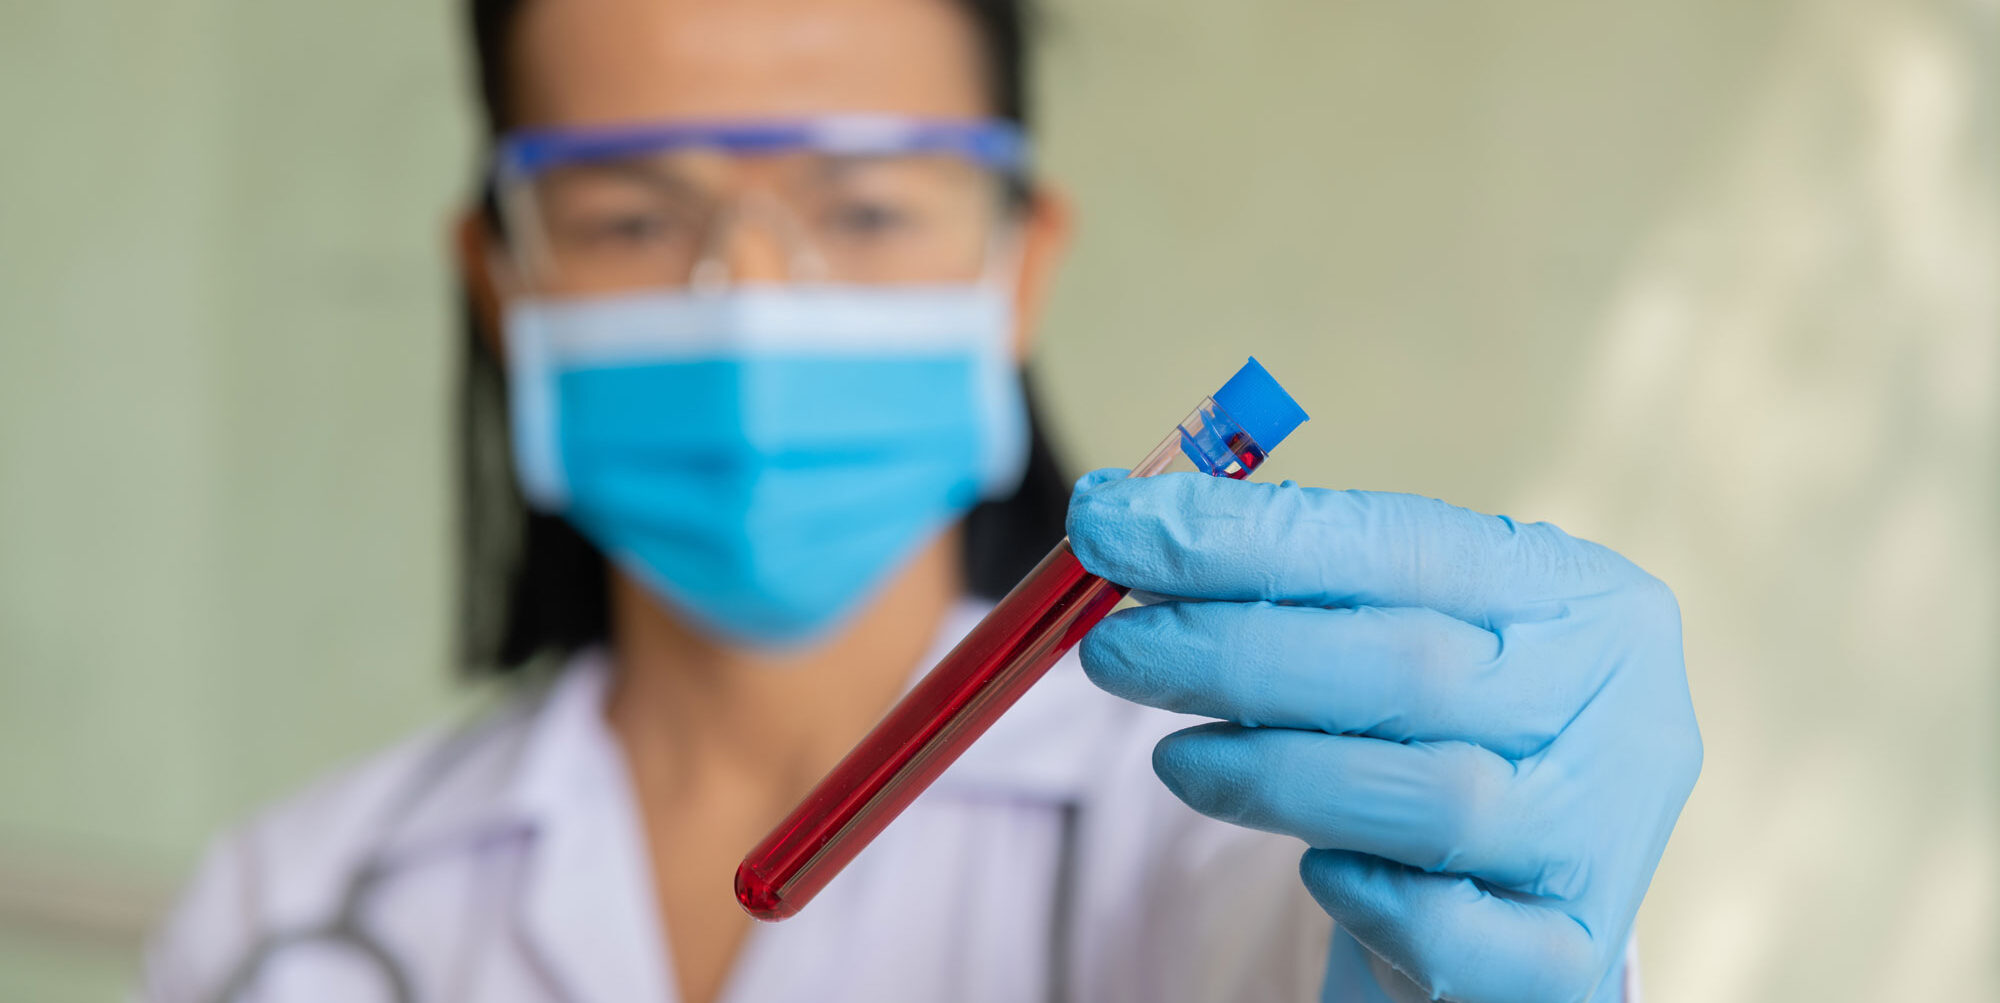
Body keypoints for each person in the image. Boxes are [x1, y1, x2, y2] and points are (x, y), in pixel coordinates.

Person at [141, 0, 1702, 1000]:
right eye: (630, 214)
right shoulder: (285, 913)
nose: (750, 300)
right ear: (502, 283)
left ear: (1017, 268)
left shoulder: (1220, 837)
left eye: (866, 206)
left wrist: (1500, 926)